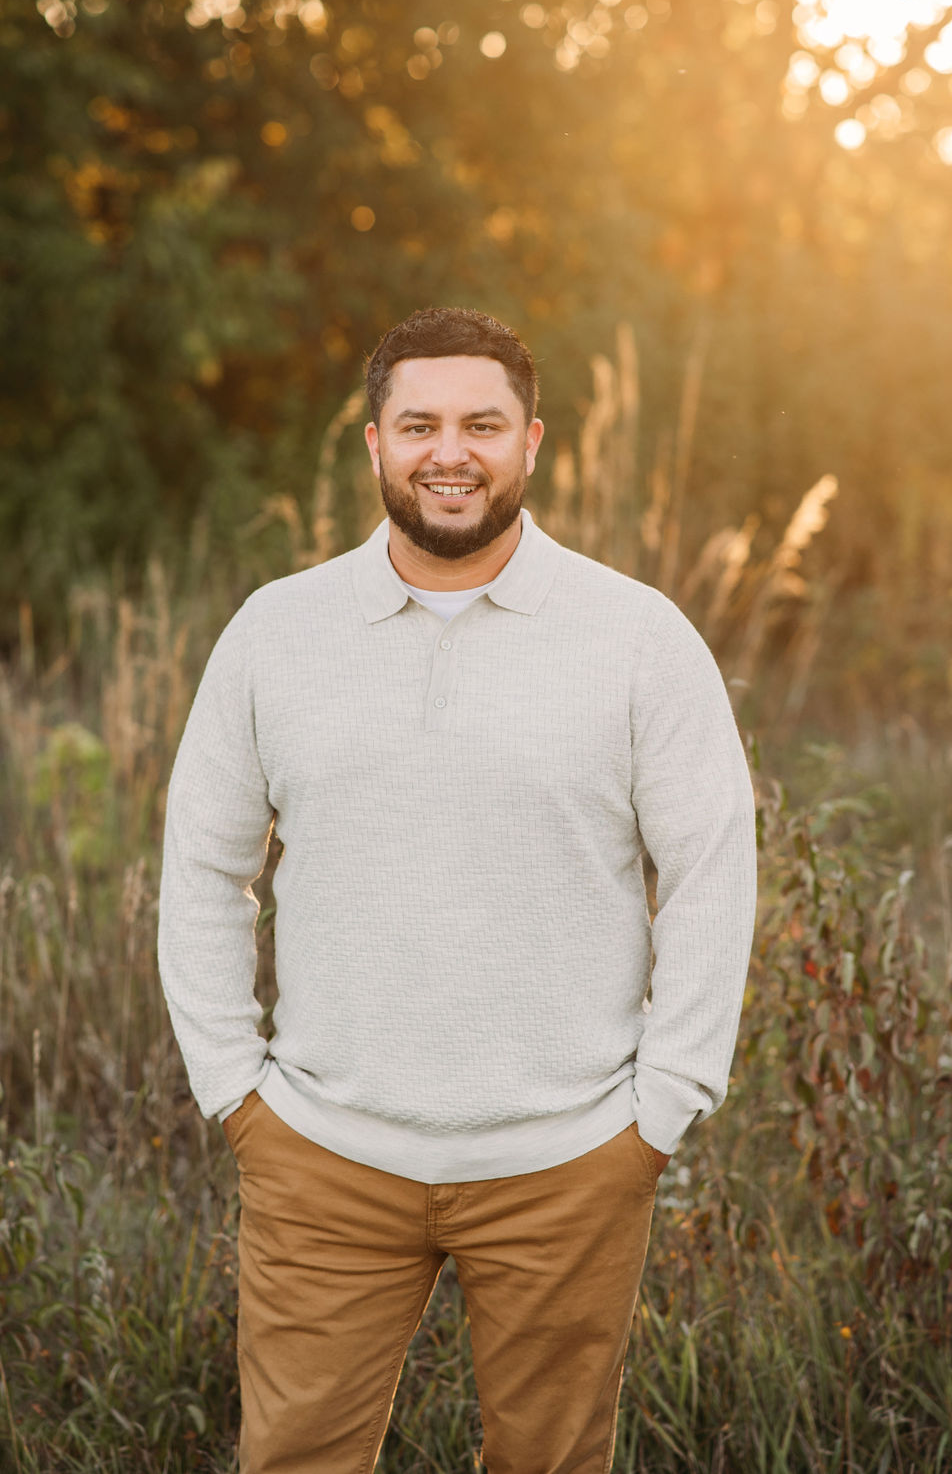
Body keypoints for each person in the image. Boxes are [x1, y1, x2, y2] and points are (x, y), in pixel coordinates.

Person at [157, 306, 758, 1473]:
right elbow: (202, 867)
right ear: (373, 443)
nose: (451, 451)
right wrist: (237, 1094)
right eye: (418, 422)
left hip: (569, 1162)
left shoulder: (637, 637)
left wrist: (659, 1111)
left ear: (531, 443)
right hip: (323, 1158)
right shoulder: (276, 633)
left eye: (481, 423)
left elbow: (709, 871)